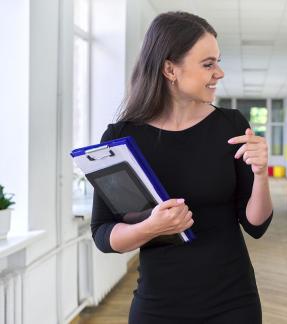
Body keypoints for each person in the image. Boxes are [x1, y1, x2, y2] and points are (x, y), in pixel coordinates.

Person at [90, 12, 273, 324]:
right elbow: (104, 234)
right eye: (208, 64)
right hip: (158, 305)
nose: (220, 73)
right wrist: (150, 228)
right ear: (170, 68)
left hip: (233, 302)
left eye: (217, 61)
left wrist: (260, 174)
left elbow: (256, 225)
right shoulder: (121, 138)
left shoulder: (231, 125)